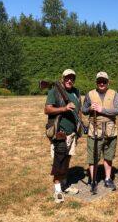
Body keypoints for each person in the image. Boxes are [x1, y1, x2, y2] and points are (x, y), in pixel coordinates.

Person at [44, 69, 81, 203]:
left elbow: (79, 109)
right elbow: (47, 109)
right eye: (67, 78)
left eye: (72, 78)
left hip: (72, 133)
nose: (69, 80)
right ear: (63, 78)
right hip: (60, 133)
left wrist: (79, 127)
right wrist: (64, 109)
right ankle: (58, 190)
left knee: (67, 159)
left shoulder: (76, 92)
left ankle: (64, 185)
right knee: (59, 161)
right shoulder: (54, 91)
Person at [82, 72, 118, 193]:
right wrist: (89, 109)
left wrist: (102, 110)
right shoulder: (90, 94)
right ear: (96, 82)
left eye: (104, 81)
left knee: (108, 156)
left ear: (108, 82)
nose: (102, 83)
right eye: (99, 81)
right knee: (93, 157)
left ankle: (108, 178)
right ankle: (93, 180)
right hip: (94, 130)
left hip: (110, 131)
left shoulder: (114, 94)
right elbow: (83, 110)